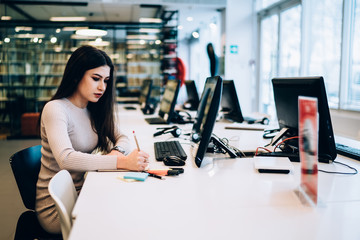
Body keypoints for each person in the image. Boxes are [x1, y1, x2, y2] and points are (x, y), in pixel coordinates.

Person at [35, 45, 150, 234]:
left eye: (106, 80)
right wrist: (121, 162)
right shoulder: (56, 109)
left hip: (83, 190)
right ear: (76, 75)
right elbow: (66, 158)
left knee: (134, 205)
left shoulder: (92, 108)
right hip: (57, 207)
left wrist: (118, 152)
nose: (102, 87)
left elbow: (122, 137)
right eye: (95, 79)